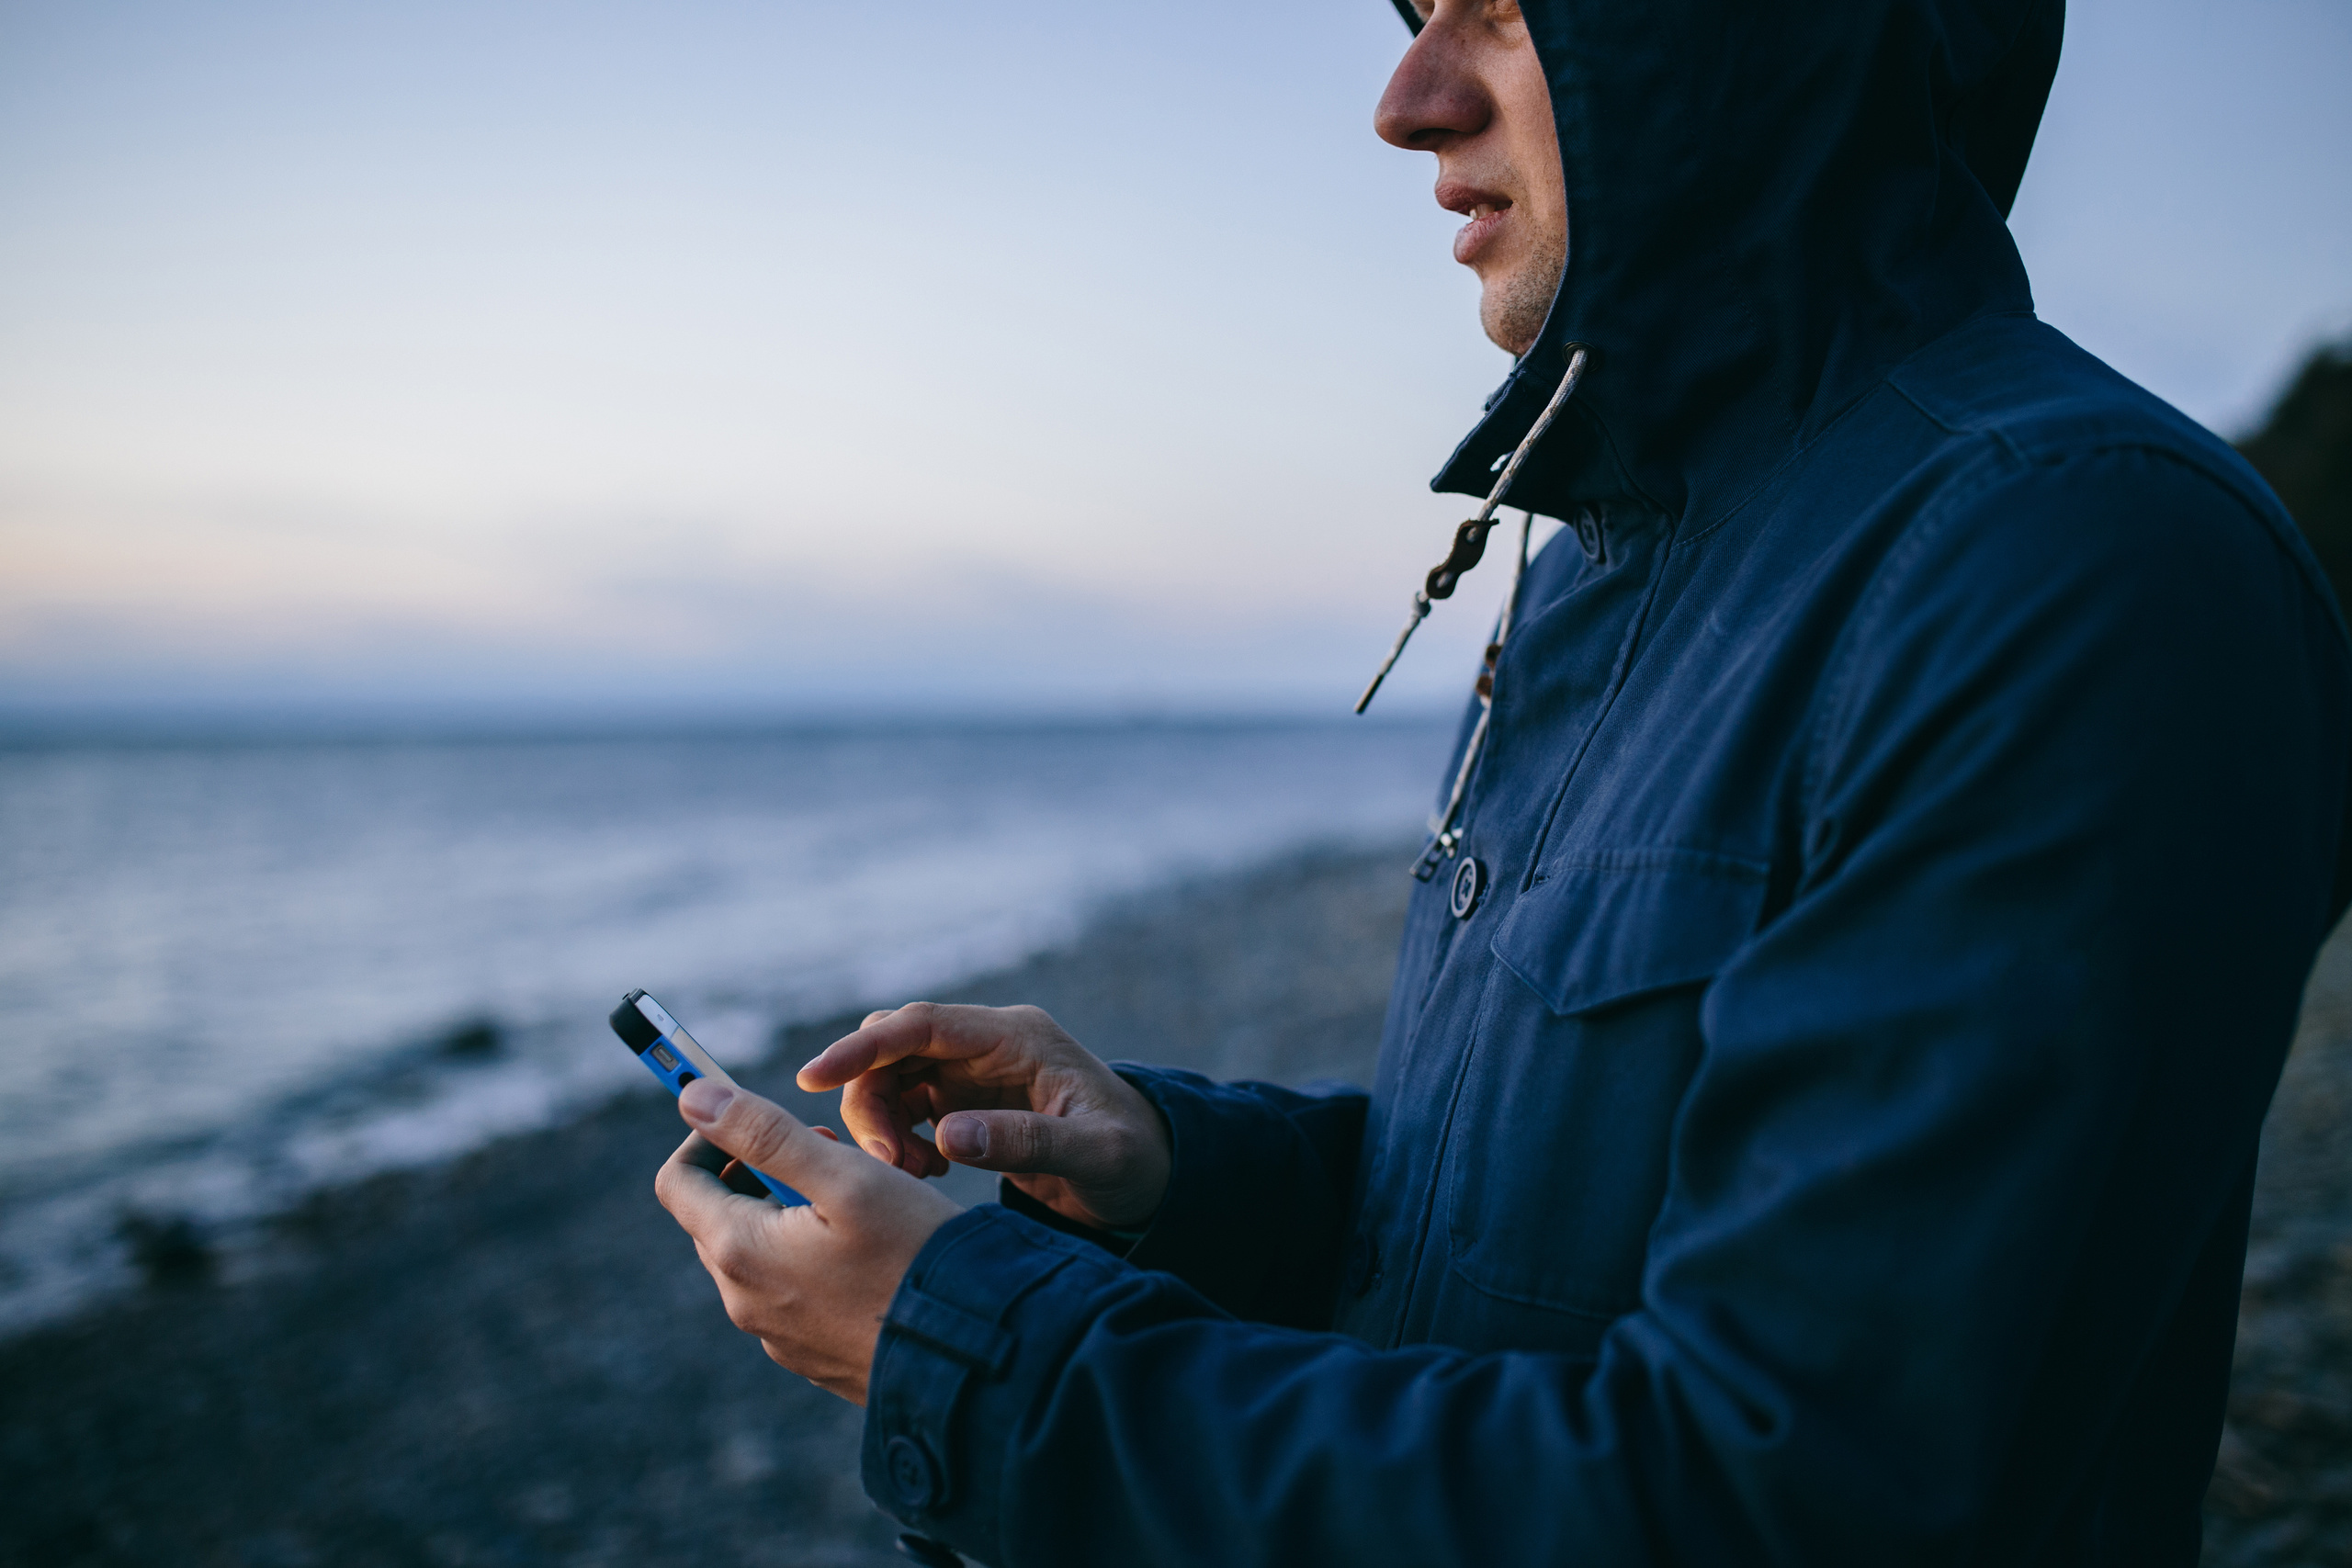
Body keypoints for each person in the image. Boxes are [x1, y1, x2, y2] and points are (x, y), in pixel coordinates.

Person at [651, 0, 2352, 1562]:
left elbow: (1775, 1495)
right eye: (1414, 16)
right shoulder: (1619, 558)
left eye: (1512, 11)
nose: (1407, 101)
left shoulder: (2061, 558)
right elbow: (1564, 1214)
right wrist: (1179, 1168)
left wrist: (965, 1343)